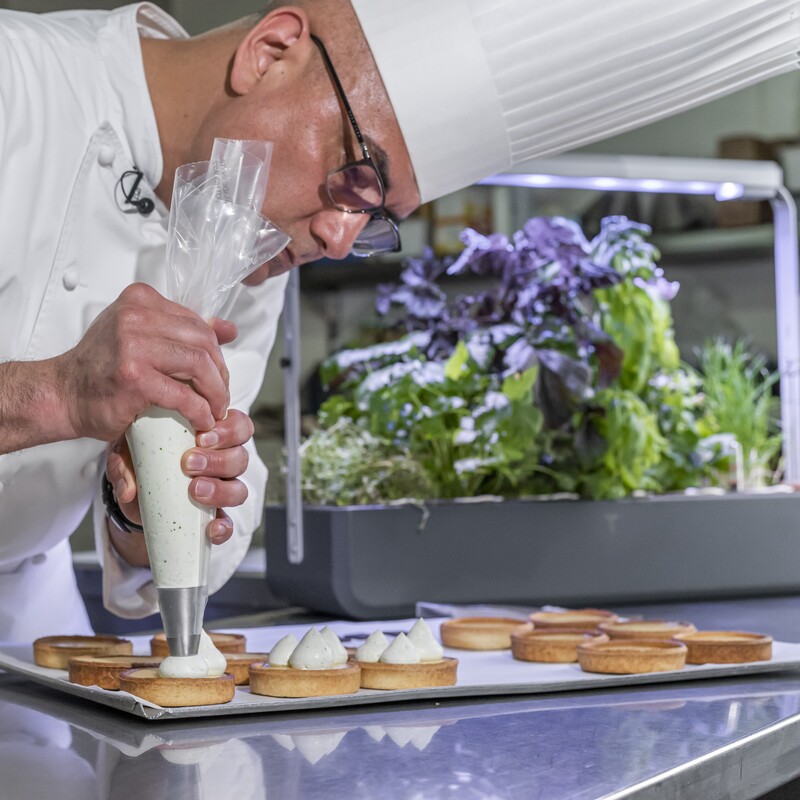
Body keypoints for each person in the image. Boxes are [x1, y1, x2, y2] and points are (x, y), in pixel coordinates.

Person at [1, 0, 799, 641]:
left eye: (376, 216)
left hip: (27, 633)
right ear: (272, 49)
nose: (338, 237)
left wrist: (144, 510)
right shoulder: (16, 87)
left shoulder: (249, 240)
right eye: (358, 171)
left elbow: (174, 530)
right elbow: (63, 399)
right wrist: (56, 395)